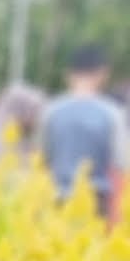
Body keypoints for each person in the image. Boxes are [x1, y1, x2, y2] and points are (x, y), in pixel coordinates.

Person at [40, 45, 130, 220]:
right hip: (97, 204)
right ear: (102, 74)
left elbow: (43, 158)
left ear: (68, 74)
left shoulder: (50, 111)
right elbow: (122, 163)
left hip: (58, 199)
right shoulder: (112, 113)